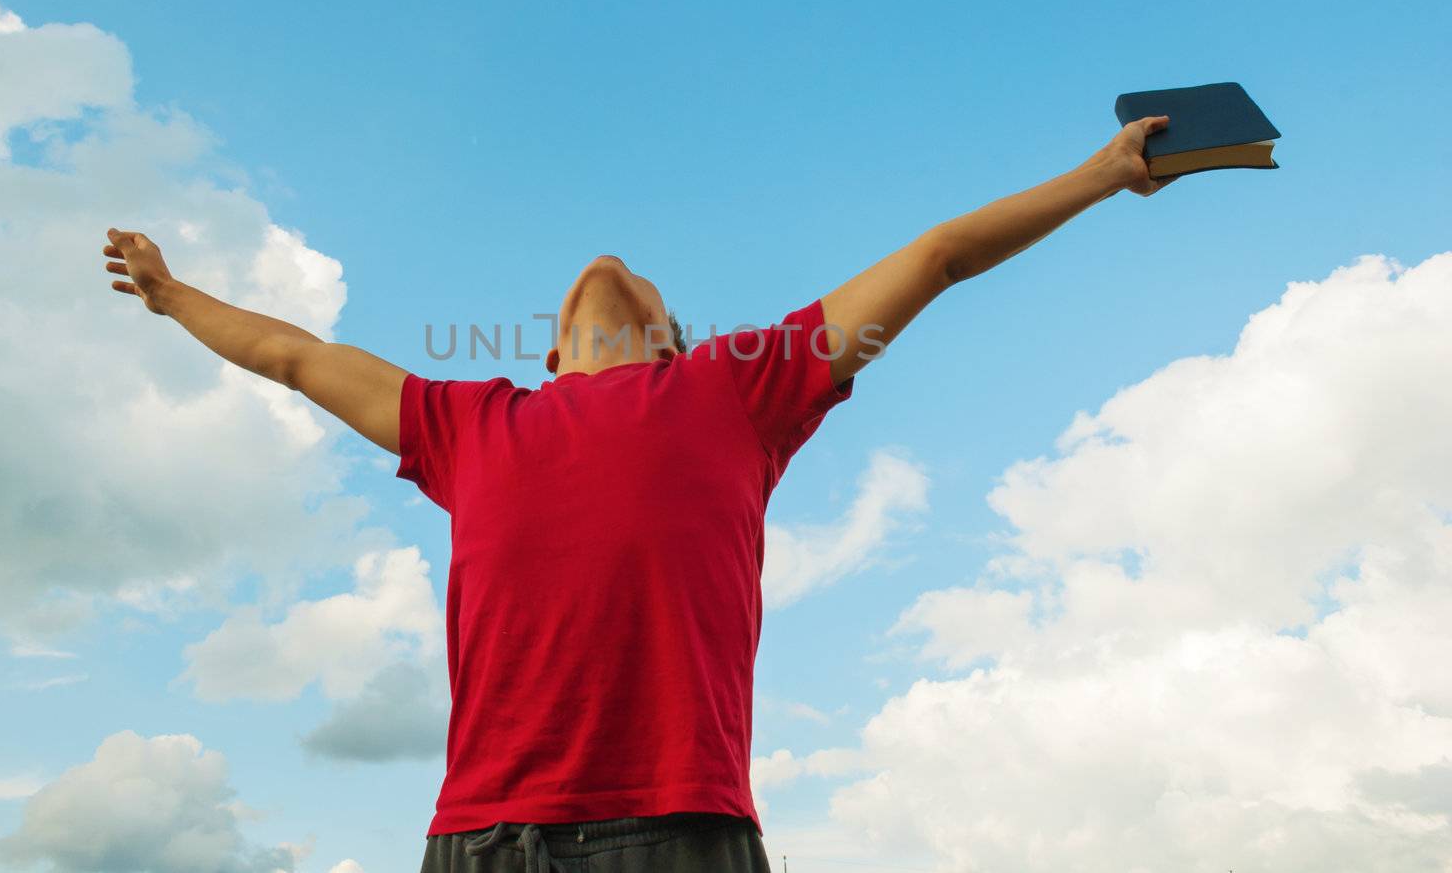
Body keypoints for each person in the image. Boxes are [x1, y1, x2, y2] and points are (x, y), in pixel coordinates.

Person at [104, 115, 1174, 872]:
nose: (609, 265)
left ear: (673, 340)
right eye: (568, 305)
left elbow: (937, 258)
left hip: (670, 831)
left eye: (653, 291)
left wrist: (1101, 175)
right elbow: (292, 355)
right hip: (477, 838)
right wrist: (172, 296)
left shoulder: (738, 389)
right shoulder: (469, 422)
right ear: (548, 355)